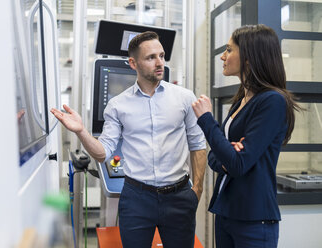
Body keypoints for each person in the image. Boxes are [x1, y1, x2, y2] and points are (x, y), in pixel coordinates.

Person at [51, 31, 207, 248]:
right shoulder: (118, 105)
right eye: (151, 57)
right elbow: (103, 152)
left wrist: (197, 190)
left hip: (179, 196)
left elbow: (198, 145)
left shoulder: (184, 98)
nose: (159, 62)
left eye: (161, 56)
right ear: (133, 63)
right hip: (136, 199)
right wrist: (81, 131)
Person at [191, 24, 301, 248]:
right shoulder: (242, 99)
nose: (222, 56)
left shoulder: (272, 101)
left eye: (229, 50)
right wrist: (227, 157)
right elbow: (216, 156)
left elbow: (239, 164)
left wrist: (206, 119)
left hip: (254, 218)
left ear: (249, 58)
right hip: (227, 212)